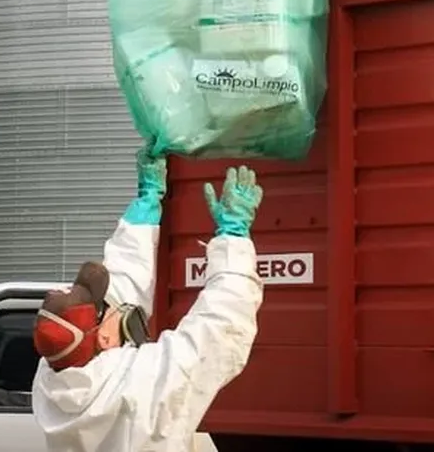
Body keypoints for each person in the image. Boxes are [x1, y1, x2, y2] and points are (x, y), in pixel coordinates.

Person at [30, 149, 265, 452]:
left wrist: (146, 205)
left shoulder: (52, 385)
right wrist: (233, 238)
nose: (116, 300)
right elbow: (220, 326)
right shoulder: (146, 383)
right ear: (103, 336)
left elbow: (121, 284)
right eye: (106, 304)